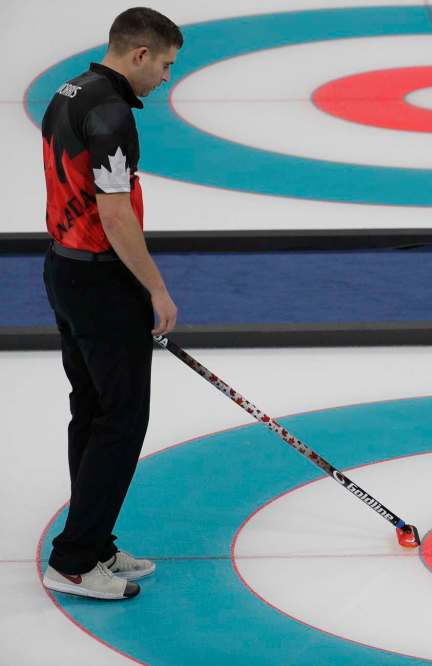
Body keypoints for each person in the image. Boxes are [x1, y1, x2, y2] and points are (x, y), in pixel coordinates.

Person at [40, 7, 183, 600]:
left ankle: (93, 541)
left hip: (64, 269)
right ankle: (74, 559)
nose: (167, 79)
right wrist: (154, 287)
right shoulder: (112, 111)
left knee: (92, 410)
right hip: (102, 280)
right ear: (140, 54)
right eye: (167, 66)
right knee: (121, 421)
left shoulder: (67, 91)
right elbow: (115, 211)